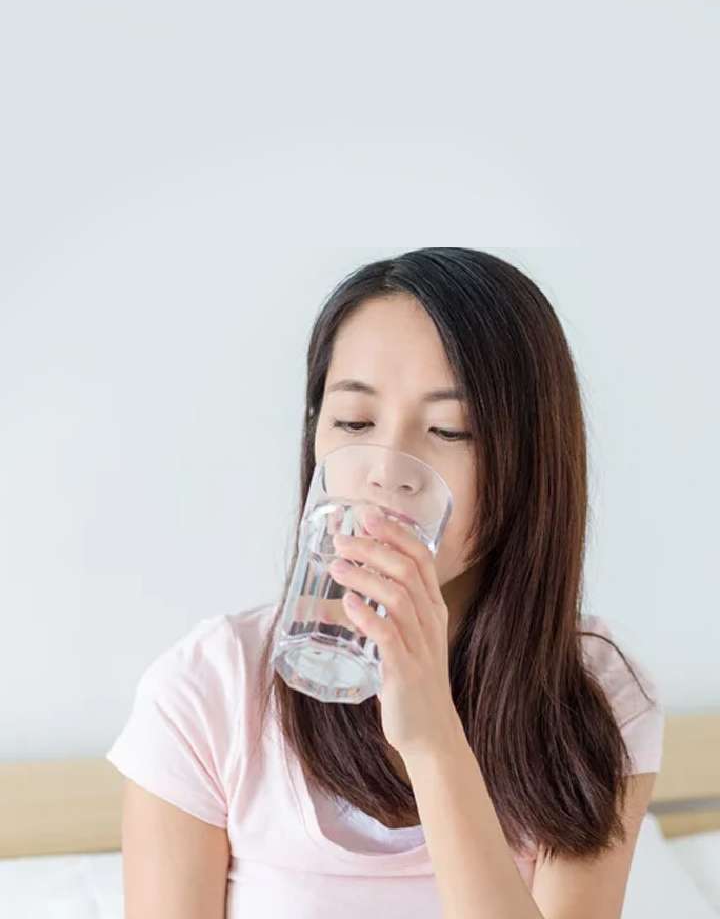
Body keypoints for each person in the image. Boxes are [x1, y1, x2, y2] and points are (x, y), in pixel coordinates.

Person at [106, 246, 664, 918]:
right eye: (354, 422)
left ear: (531, 461)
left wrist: (433, 741)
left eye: (450, 430)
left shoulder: (595, 697)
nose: (388, 469)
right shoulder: (209, 691)